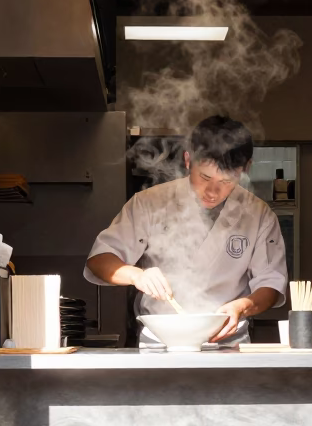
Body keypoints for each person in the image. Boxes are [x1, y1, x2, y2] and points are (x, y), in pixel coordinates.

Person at [84, 115, 289, 346]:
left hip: (227, 340)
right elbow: (99, 260)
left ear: (246, 169)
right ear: (188, 160)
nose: (213, 191)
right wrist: (137, 275)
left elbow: (271, 282)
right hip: (161, 340)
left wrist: (244, 306)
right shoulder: (150, 202)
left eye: (227, 181)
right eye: (205, 177)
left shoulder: (259, 214)